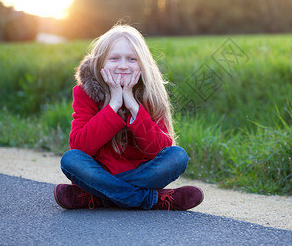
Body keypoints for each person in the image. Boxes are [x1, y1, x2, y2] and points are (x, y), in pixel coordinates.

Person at [53, 24, 204, 210]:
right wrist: (114, 104)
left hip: (142, 173)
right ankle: (154, 200)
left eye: (132, 59)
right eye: (114, 58)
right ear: (100, 63)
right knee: (71, 160)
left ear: (142, 64)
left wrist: (133, 106)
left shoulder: (152, 93)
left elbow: (158, 150)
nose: (123, 66)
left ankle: (97, 196)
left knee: (178, 156)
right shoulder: (85, 92)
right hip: (101, 172)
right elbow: (80, 146)